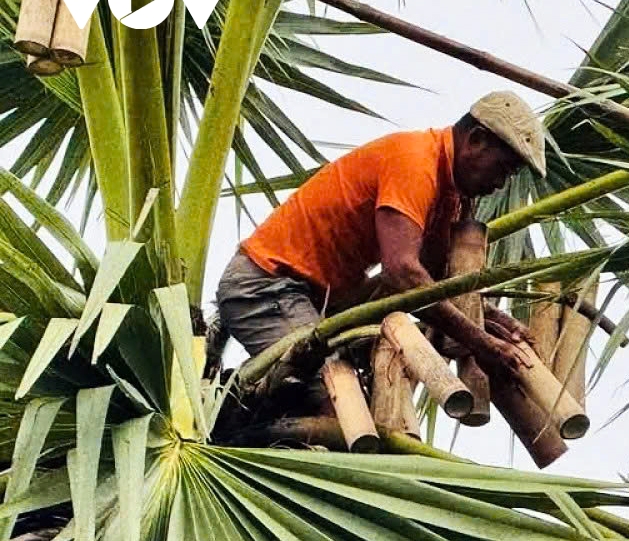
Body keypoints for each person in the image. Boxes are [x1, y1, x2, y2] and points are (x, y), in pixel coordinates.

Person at [215, 90, 543, 414]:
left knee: (364, 394)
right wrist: (482, 344)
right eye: (502, 168)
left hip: (317, 304)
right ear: (477, 139)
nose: (501, 183)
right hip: (267, 285)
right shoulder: (415, 161)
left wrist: (491, 320)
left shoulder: (452, 197)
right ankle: (238, 407)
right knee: (336, 400)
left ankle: (246, 404)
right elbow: (402, 275)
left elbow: (436, 276)